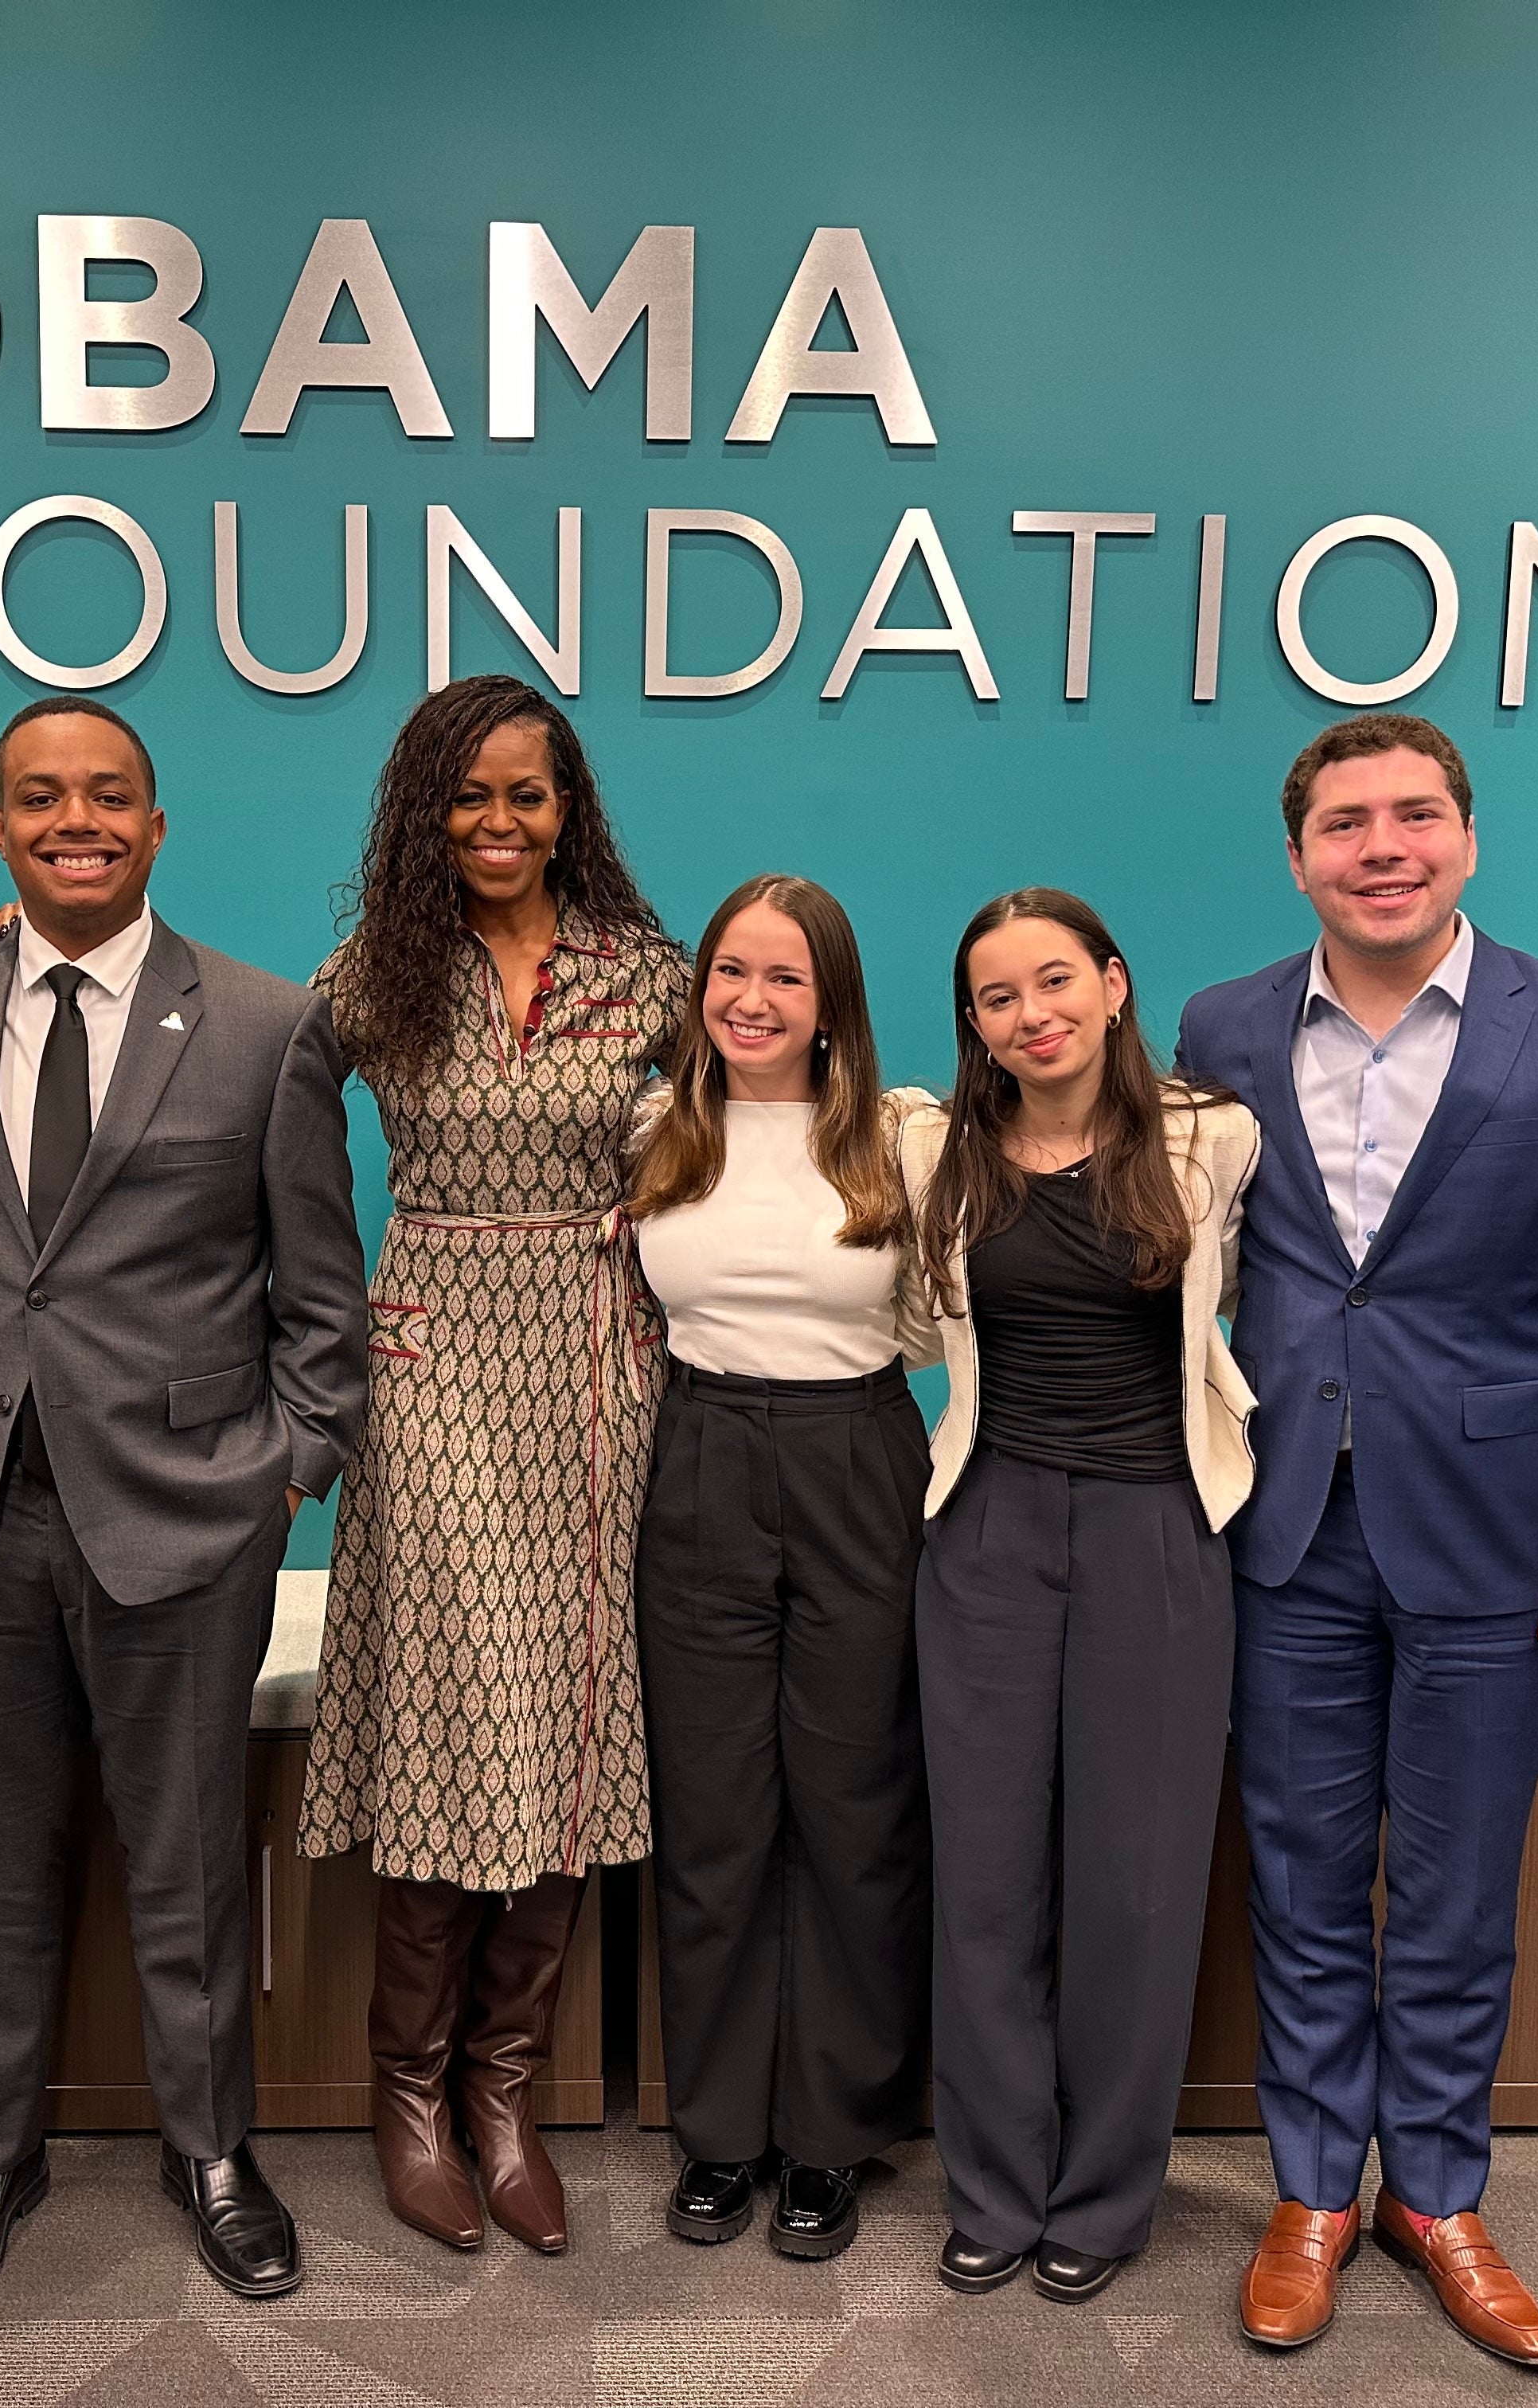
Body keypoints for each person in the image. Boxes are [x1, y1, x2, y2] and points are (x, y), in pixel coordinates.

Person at [0, 697, 368, 2315]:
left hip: (182, 1515)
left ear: (157, 825)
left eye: (109, 797)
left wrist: (287, 1471)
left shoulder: (270, 1024)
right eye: (38, 798)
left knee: (189, 1860)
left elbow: (322, 1298)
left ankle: (212, 2150)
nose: (75, 820)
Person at [1177, 712, 1538, 2371]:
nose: (1378, 847)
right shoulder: (1223, 1027)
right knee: (1308, 1886)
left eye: (1411, 817)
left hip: (1502, 1540)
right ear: (1300, 853)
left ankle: (1439, 2194)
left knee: (1456, 1895)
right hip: (1289, 1529)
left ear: (1465, 837)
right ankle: (1318, 2191)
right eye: (1343, 824)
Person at [296, 674, 689, 2255]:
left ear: (569, 807)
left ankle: (506, 2094)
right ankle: (410, 2097)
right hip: (434, 1361)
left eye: (527, 794)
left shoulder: (652, 977)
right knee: (457, 1725)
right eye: (468, 797)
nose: (500, 822)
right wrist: (331, 1311)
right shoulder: (375, 977)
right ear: (424, 815)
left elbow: (742, 1137)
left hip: (604, 1364)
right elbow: (252, 1146)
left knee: (580, 1720)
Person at [900, 889, 1261, 2305]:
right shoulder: (940, 1149)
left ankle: (1106, 2198)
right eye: (997, 997)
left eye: (1055, 981)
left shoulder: (1208, 1138)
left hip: (1158, 1531)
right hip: (985, 1526)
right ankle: (992, 2187)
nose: (1029, 1014)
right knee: (985, 1882)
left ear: (1113, 985)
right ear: (974, 1025)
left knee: (1136, 1883)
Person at [625, 874, 937, 2264]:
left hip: (858, 1459)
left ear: (832, 1005)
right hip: (695, 1459)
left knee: (851, 1808)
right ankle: (722, 2136)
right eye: (731, 971)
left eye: (787, 978)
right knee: (716, 1814)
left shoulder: (898, 1138)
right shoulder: (652, 1129)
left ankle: (832, 2134)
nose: (752, 999)